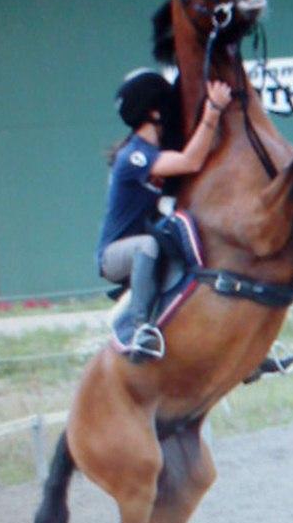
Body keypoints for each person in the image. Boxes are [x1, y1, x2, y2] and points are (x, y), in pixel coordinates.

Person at [97, 69, 232, 362]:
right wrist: (213, 111)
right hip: (115, 256)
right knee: (149, 245)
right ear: (154, 112)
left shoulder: (153, 152)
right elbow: (190, 161)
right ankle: (139, 329)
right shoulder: (133, 156)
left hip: (149, 249)